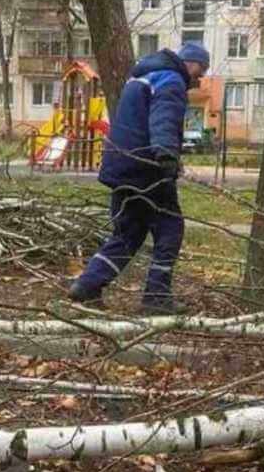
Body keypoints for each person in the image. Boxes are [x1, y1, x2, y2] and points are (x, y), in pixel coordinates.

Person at [69, 43, 210, 315]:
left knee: (128, 234)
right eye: (201, 70)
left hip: (121, 165)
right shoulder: (171, 79)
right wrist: (167, 154)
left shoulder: (144, 76)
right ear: (189, 63)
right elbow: (164, 117)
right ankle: (156, 296)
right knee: (170, 228)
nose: (199, 78)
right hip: (146, 169)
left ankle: (87, 285)